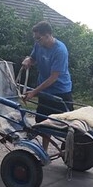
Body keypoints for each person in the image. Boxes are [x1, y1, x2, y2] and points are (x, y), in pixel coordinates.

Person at [21, 20, 74, 150]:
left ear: (48, 35)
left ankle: (70, 151)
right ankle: (44, 151)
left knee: (65, 125)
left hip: (61, 91)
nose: (37, 41)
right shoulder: (39, 45)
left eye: (39, 38)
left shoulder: (60, 50)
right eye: (35, 38)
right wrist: (28, 60)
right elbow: (33, 58)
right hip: (45, 91)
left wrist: (34, 92)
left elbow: (53, 77)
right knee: (44, 123)